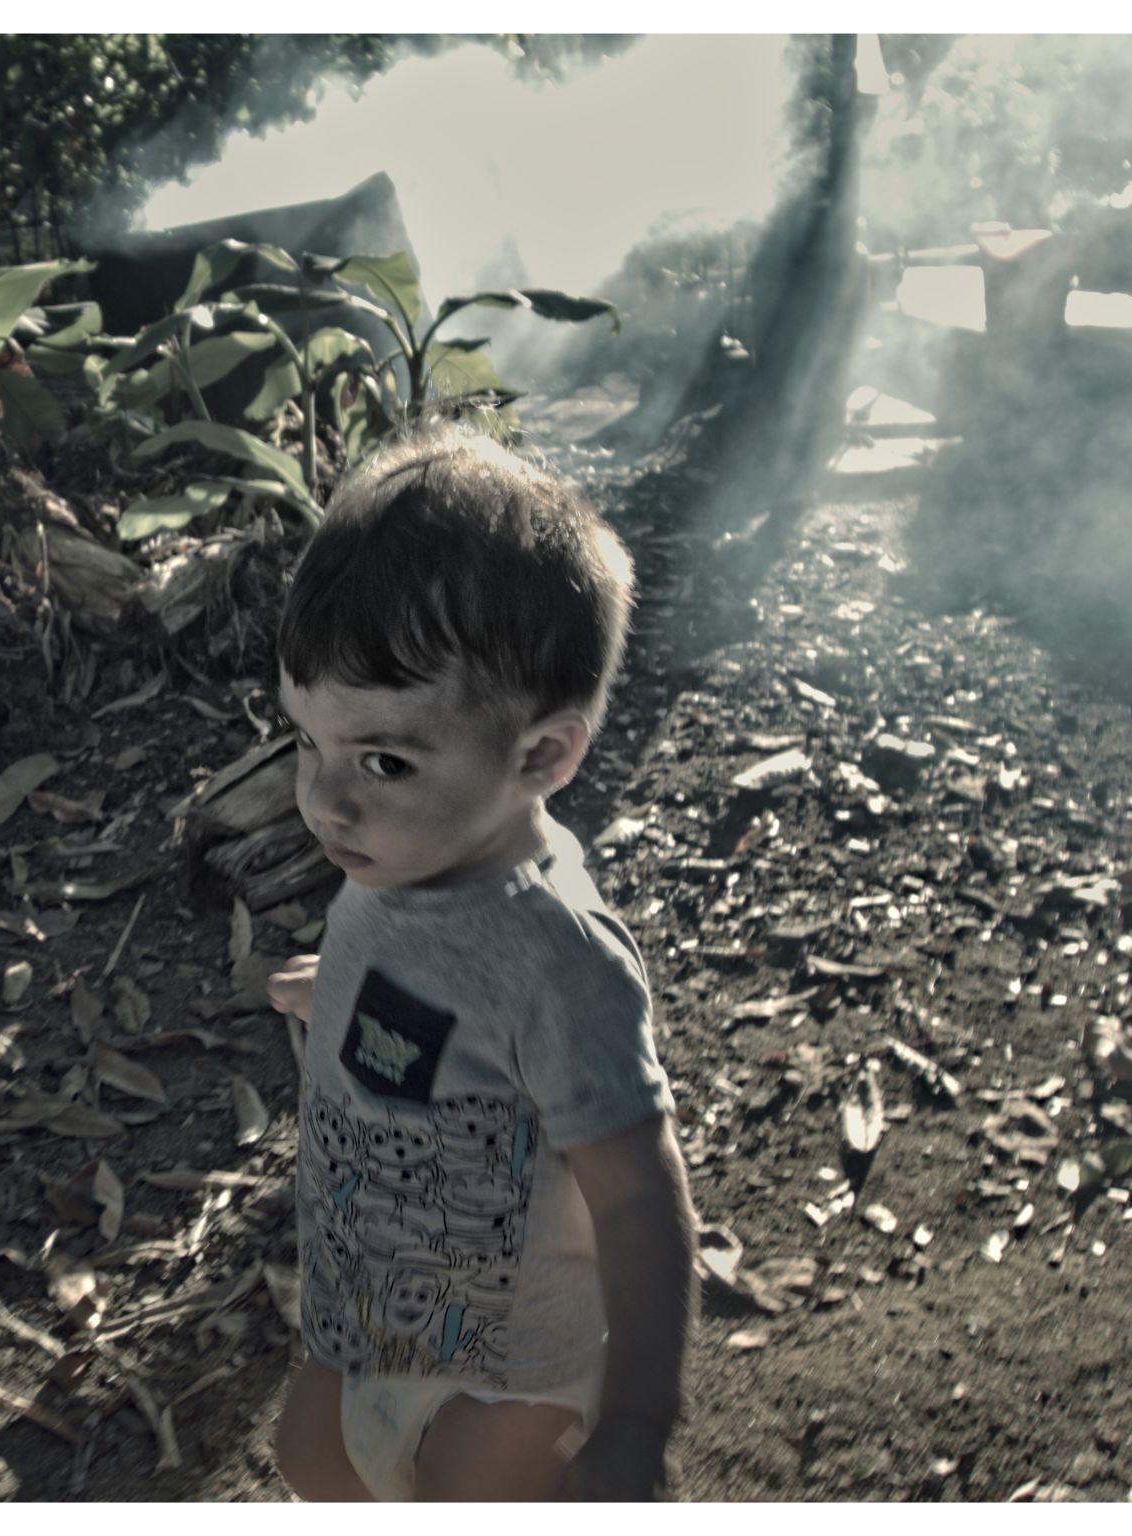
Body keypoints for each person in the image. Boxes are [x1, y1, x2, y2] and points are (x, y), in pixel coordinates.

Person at [263, 416, 697, 1502]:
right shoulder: (397, 848)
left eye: (381, 756)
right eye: (304, 741)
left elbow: (640, 1198)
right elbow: (435, 1008)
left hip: (508, 1381)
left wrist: (637, 1427)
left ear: (539, 755)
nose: (323, 798)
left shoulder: (558, 960)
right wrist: (350, 1000)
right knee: (309, 1456)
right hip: (369, 1317)